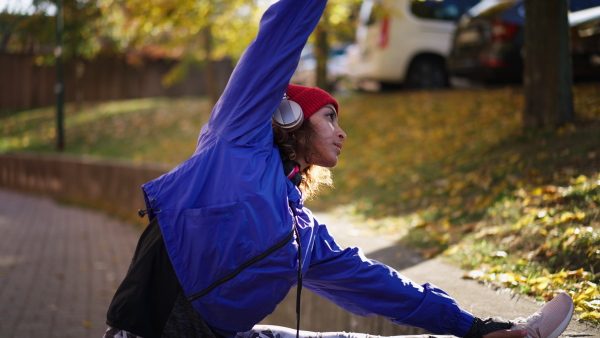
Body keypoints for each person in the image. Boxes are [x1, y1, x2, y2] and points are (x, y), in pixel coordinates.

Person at [104, 0, 575, 337]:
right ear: (288, 115)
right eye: (330, 116)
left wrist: (471, 327)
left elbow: (385, 289)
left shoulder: (300, 232)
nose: (341, 131)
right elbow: (281, 33)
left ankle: (503, 336)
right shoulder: (236, 142)